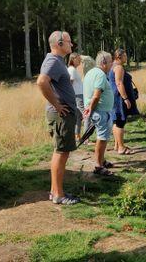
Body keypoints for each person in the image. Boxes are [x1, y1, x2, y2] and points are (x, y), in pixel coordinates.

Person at [37, 31, 80, 205]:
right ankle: (58, 195)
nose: (72, 45)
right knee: (61, 152)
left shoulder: (57, 61)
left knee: (62, 152)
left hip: (63, 114)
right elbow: (41, 81)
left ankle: (56, 190)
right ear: (59, 43)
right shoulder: (53, 60)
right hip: (61, 115)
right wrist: (57, 104)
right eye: (70, 42)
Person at [83, 51, 115, 176]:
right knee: (102, 138)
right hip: (100, 112)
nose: (112, 64)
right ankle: (98, 165)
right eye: (110, 61)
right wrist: (91, 108)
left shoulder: (90, 73)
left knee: (101, 137)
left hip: (97, 111)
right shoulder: (100, 75)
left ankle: (101, 160)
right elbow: (96, 96)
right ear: (103, 63)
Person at [109, 49, 139, 154]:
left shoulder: (112, 66)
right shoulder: (118, 67)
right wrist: (126, 98)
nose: (127, 58)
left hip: (114, 97)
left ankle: (117, 145)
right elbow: (119, 83)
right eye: (125, 56)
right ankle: (121, 148)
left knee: (116, 121)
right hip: (119, 98)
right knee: (120, 122)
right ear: (119, 57)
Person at [67, 53, 84, 142]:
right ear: (73, 59)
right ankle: (86, 138)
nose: (80, 61)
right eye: (78, 59)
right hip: (77, 96)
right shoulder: (71, 70)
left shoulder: (74, 69)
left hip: (79, 95)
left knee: (79, 116)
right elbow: (70, 83)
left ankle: (77, 136)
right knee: (85, 115)